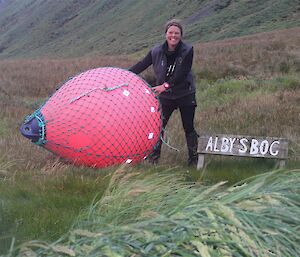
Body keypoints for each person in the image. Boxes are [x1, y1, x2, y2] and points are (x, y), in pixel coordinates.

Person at [129, 19, 198, 166]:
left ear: (181, 35)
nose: (174, 36)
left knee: (189, 127)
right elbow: (142, 64)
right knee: (158, 126)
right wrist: (124, 75)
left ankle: (193, 160)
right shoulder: (156, 51)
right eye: (171, 32)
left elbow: (182, 72)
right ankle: (154, 158)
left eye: (177, 33)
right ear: (166, 34)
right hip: (167, 97)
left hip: (185, 93)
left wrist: (165, 85)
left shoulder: (188, 50)